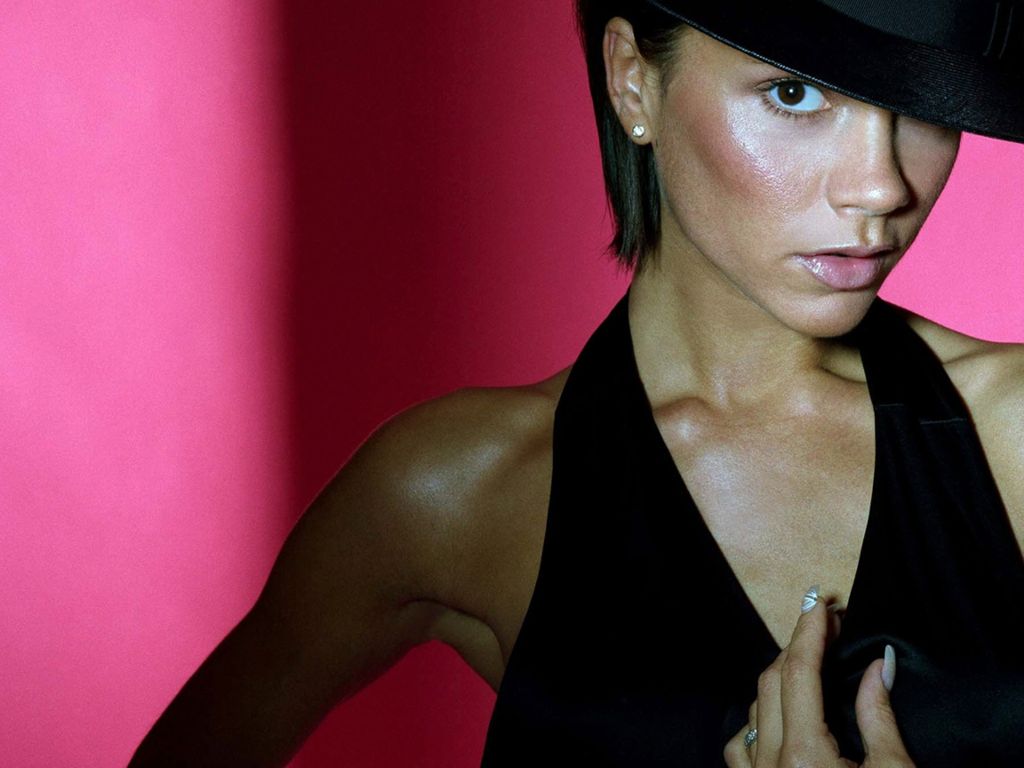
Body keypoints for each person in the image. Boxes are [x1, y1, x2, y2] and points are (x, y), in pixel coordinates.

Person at [130, 1, 1024, 765]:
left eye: (920, 102)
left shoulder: (1012, 431)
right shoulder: (460, 494)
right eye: (794, 92)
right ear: (634, 80)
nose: (880, 186)